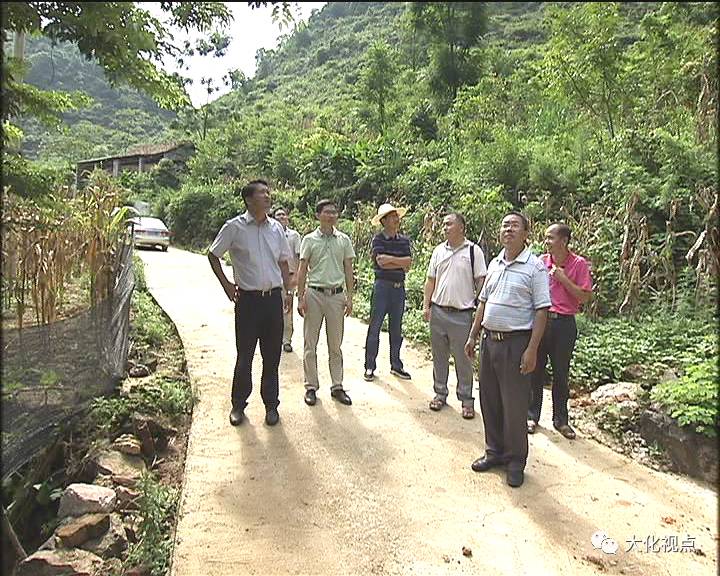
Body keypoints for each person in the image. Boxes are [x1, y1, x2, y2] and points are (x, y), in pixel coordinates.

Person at [464, 211, 551, 488]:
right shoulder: (495, 263)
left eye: (514, 225)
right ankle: (494, 452)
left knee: (514, 405)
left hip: (516, 344)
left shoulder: (534, 267)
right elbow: (483, 302)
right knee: (489, 399)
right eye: (504, 225)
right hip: (490, 341)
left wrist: (532, 349)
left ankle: (515, 461)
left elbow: (541, 310)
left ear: (526, 233)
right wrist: (473, 335)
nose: (508, 230)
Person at [208, 179, 292, 427]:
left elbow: (284, 261)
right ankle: (238, 405)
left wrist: (288, 291)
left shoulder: (276, 228)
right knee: (245, 355)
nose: (268, 196)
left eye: (268, 192)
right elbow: (213, 255)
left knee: (272, 357)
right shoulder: (234, 227)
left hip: (272, 301)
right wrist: (226, 284)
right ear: (248, 199)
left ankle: (271, 406)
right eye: (262, 193)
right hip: (248, 302)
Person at [527, 223, 593, 440]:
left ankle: (561, 420)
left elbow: (584, 297)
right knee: (535, 370)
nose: (546, 242)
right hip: (541, 321)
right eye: (546, 238)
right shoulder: (540, 262)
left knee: (561, 373)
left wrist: (564, 279)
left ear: (563, 241)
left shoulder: (579, 264)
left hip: (564, 324)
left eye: (550, 238)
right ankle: (531, 415)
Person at [423, 212, 486, 420]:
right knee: (439, 356)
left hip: (462, 315)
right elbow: (430, 280)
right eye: (444, 224)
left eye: (449, 224)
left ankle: (467, 400)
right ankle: (440, 393)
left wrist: (481, 310)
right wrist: (427, 306)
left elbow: (481, 283)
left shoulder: (473, 252)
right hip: (438, 311)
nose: (444, 227)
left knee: (463, 359)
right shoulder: (438, 251)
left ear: (461, 227)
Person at [296, 199, 355, 407]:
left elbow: (348, 269)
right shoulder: (309, 240)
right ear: (318, 215)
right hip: (314, 294)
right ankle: (311, 386)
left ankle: (337, 386)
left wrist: (350, 297)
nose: (331, 215)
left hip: (337, 295)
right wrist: (300, 295)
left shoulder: (344, 240)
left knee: (335, 344)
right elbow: (302, 269)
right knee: (310, 343)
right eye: (327, 212)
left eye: (334, 212)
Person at [363, 203, 413, 382]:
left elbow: (408, 264)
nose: (396, 219)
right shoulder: (378, 240)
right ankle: (370, 366)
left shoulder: (404, 240)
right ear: (383, 221)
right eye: (392, 216)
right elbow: (380, 262)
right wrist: (398, 261)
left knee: (396, 328)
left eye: (396, 215)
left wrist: (391, 260)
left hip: (399, 288)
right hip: (382, 287)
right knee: (375, 326)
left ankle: (396, 364)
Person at [272, 207, 302, 353]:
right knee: (272, 309)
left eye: (284, 214)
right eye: (278, 215)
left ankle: (286, 340)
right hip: (272, 276)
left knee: (287, 309)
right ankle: (274, 338)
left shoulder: (294, 236)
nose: (281, 217)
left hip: (288, 276)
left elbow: (299, 258)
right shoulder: (269, 234)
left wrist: (297, 276)